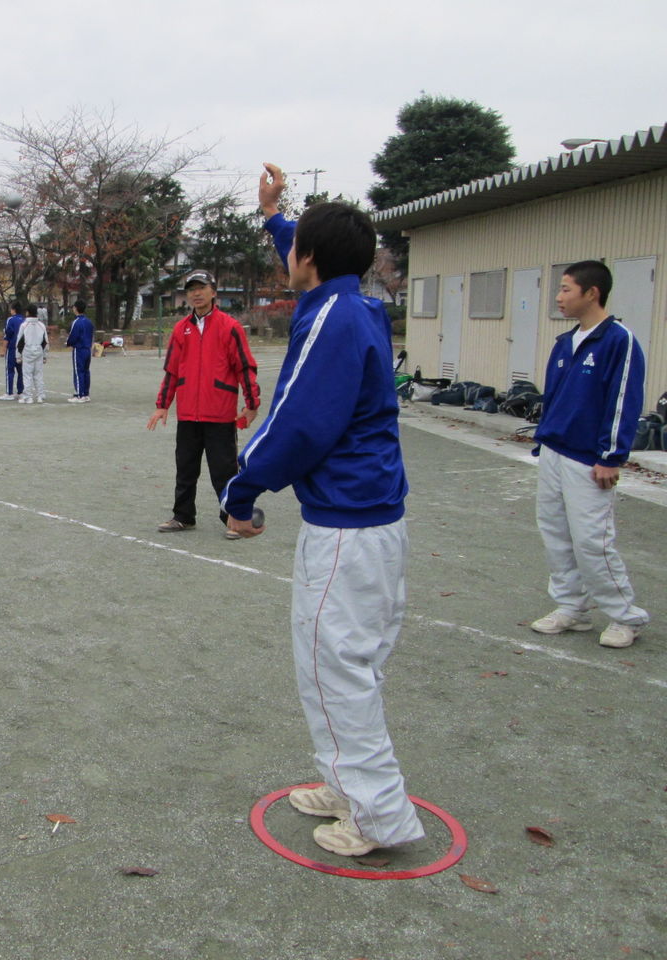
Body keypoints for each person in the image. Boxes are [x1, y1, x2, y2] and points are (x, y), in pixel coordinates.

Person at [220, 162, 424, 858]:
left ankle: (378, 815)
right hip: (369, 520)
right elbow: (310, 261)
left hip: (347, 528)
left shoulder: (333, 320)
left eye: (292, 245)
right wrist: (276, 215)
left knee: (335, 665)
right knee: (343, 663)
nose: (285, 256)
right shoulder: (354, 300)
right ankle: (349, 785)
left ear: (311, 260)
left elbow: (297, 424)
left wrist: (240, 488)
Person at [529, 260, 649, 649]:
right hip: (554, 451)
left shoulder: (618, 340)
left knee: (592, 540)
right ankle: (571, 608)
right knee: (557, 536)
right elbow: (555, 399)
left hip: (588, 459)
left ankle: (624, 616)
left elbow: (622, 401)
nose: (559, 298)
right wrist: (543, 440)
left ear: (591, 293)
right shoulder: (565, 343)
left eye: (565, 289)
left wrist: (611, 457)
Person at [148, 270, 261, 537]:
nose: (196, 293)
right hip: (188, 414)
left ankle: (233, 519)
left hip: (220, 414)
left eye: (201, 287)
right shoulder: (181, 329)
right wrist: (163, 404)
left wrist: (252, 403)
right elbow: (172, 370)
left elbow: (245, 367)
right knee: (185, 469)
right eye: (191, 289)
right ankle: (183, 516)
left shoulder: (229, 327)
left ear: (213, 291)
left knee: (224, 472)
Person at [16, 305, 48, 404]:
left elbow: (19, 342)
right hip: (38, 350)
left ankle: (28, 397)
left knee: (27, 375)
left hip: (27, 350)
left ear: (27, 312)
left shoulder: (24, 325)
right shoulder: (41, 325)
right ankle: (40, 396)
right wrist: (45, 355)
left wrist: (18, 355)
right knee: (38, 374)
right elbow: (45, 341)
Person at [65, 300, 94, 403]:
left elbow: (73, 336)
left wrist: (67, 343)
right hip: (87, 349)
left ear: (76, 308)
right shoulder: (89, 322)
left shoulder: (76, 322)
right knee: (86, 371)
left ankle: (79, 394)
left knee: (78, 372)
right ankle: (86, 394)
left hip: (79, 349)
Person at [0, 301, 25, 400]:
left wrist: (3, 349)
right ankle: (21, 391)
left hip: (12, 348)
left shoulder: (10, 320)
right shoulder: (24, 320)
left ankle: (9, 393)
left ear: (13, 310)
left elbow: (8, 335)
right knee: (21, 371)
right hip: (22, 349)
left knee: (10, 370)